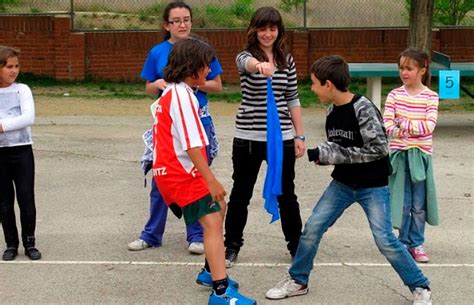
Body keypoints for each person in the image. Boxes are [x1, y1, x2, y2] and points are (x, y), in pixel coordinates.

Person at [265, 55, 433, 305]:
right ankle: (298, 280)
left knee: (385, 239)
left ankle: (420, 287)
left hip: (373, 186)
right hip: (343, 184)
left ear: (329, 84)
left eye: (313, 83)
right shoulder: (332, 110)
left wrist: (327, 153)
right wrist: (320, 153)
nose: (311, 89)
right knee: (311, 229)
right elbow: (339, 146)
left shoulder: (362, 108)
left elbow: (378, 149)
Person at [151, 37, 256, 305]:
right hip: (180, 173)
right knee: (211, 221)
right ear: (192, 66)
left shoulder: (175, 93)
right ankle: (221, 292)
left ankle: (211, 272)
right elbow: (191, 144)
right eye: (206, 66)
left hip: (174, 171)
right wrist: (210, 179)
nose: (209, 71)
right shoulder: (183, 97)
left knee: (219, 207)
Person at [128, 1, 223, 255]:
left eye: (186, 19)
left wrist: (191, 82)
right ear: (166, 25)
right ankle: (152, 233)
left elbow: (217, 85)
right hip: (169, 122)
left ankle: (196, 234)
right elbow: (149, 87)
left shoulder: (199, 51)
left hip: (197, 118)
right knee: (163, 179)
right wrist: (164, 83)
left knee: (195, 180)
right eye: (176, 20)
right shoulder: (158, 51)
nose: (182, 24)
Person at [224, 6, 305, 267]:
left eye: (272, 28)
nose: (267, 33)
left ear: (279, 31)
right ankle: (231, 246)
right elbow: (245, 65)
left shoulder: (287, 60)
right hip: (248, 137)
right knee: (241, 193)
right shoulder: (245, 56)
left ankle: (296, 245)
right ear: (254, 30)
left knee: (287, 194)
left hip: (281, 138)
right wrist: (259, 65)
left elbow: (292, 98)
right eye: (262, 28)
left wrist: (299, 135)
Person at [383, 48, 439, 263]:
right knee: (403, 202)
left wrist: (403, 123)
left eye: (409, 68)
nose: (404, 72)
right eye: (401, 68)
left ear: (422, 70)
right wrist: (403, 128)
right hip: (399, 155)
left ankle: (417, 243)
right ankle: (403, 242)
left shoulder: (431, 97)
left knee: (419, 204)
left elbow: (429, 126)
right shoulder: (394, 95)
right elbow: (387, 126)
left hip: (421, 156)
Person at [0, 45, 41, 261]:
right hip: (1, 154)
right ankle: (11, 244)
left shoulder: (22, 90)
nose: (13, 71)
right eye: (8, 67)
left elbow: (28, 118)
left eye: (16, 66)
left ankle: (30, 242)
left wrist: (2, 126)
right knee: (4, 201)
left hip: (22, 151)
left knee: (26, 198)